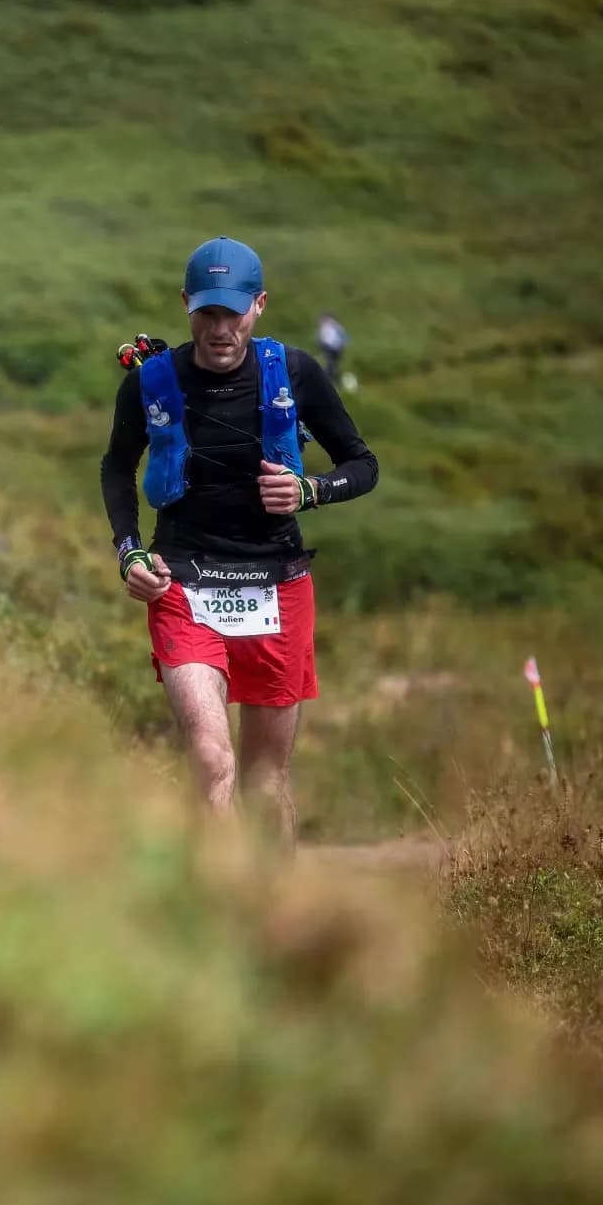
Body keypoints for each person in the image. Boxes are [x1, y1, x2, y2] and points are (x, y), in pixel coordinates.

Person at [99, 237, 378, 850]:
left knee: (263, 780)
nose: (220, 328)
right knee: (210, 760)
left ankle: (275, 912)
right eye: (207, 312)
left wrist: (310, 491)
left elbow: (361, 464)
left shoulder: (297, 372)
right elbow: (116, 469)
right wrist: (129, 552)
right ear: (185, 306)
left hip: (277, 583)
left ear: (259, 306)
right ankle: (221, 907)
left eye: (234, 312)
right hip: (183, 581)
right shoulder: (150, 382)